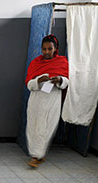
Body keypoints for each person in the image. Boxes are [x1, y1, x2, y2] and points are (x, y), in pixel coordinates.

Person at [25, 34, 69, 168]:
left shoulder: (62, 62)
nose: (46, 52)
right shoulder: (35, 63)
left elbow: (66, 82)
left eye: (50, 49)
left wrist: (60, 80)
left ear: (55, 49)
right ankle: (36, 154)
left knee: (46, 128)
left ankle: (37, 155)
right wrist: (38, 80)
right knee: (33, 127)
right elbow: (28, 84)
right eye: (44, 49)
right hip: (36, 101)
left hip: (52, 102)